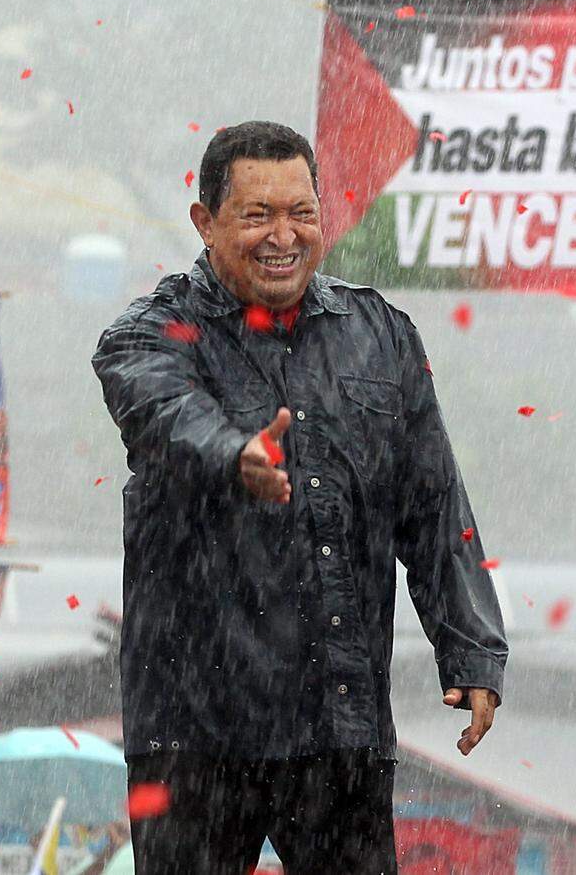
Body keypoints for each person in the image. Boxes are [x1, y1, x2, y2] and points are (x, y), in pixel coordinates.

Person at [91, 122, 508, 874]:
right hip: (196, 735)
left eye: (301, 213)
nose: (282, 236)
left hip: (338, 726)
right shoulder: (146, 336)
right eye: (256, 215)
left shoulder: (381, 335)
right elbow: (163, 409)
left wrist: (472, 647)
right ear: (205, 222)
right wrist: (231, 452)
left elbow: (436, 506)